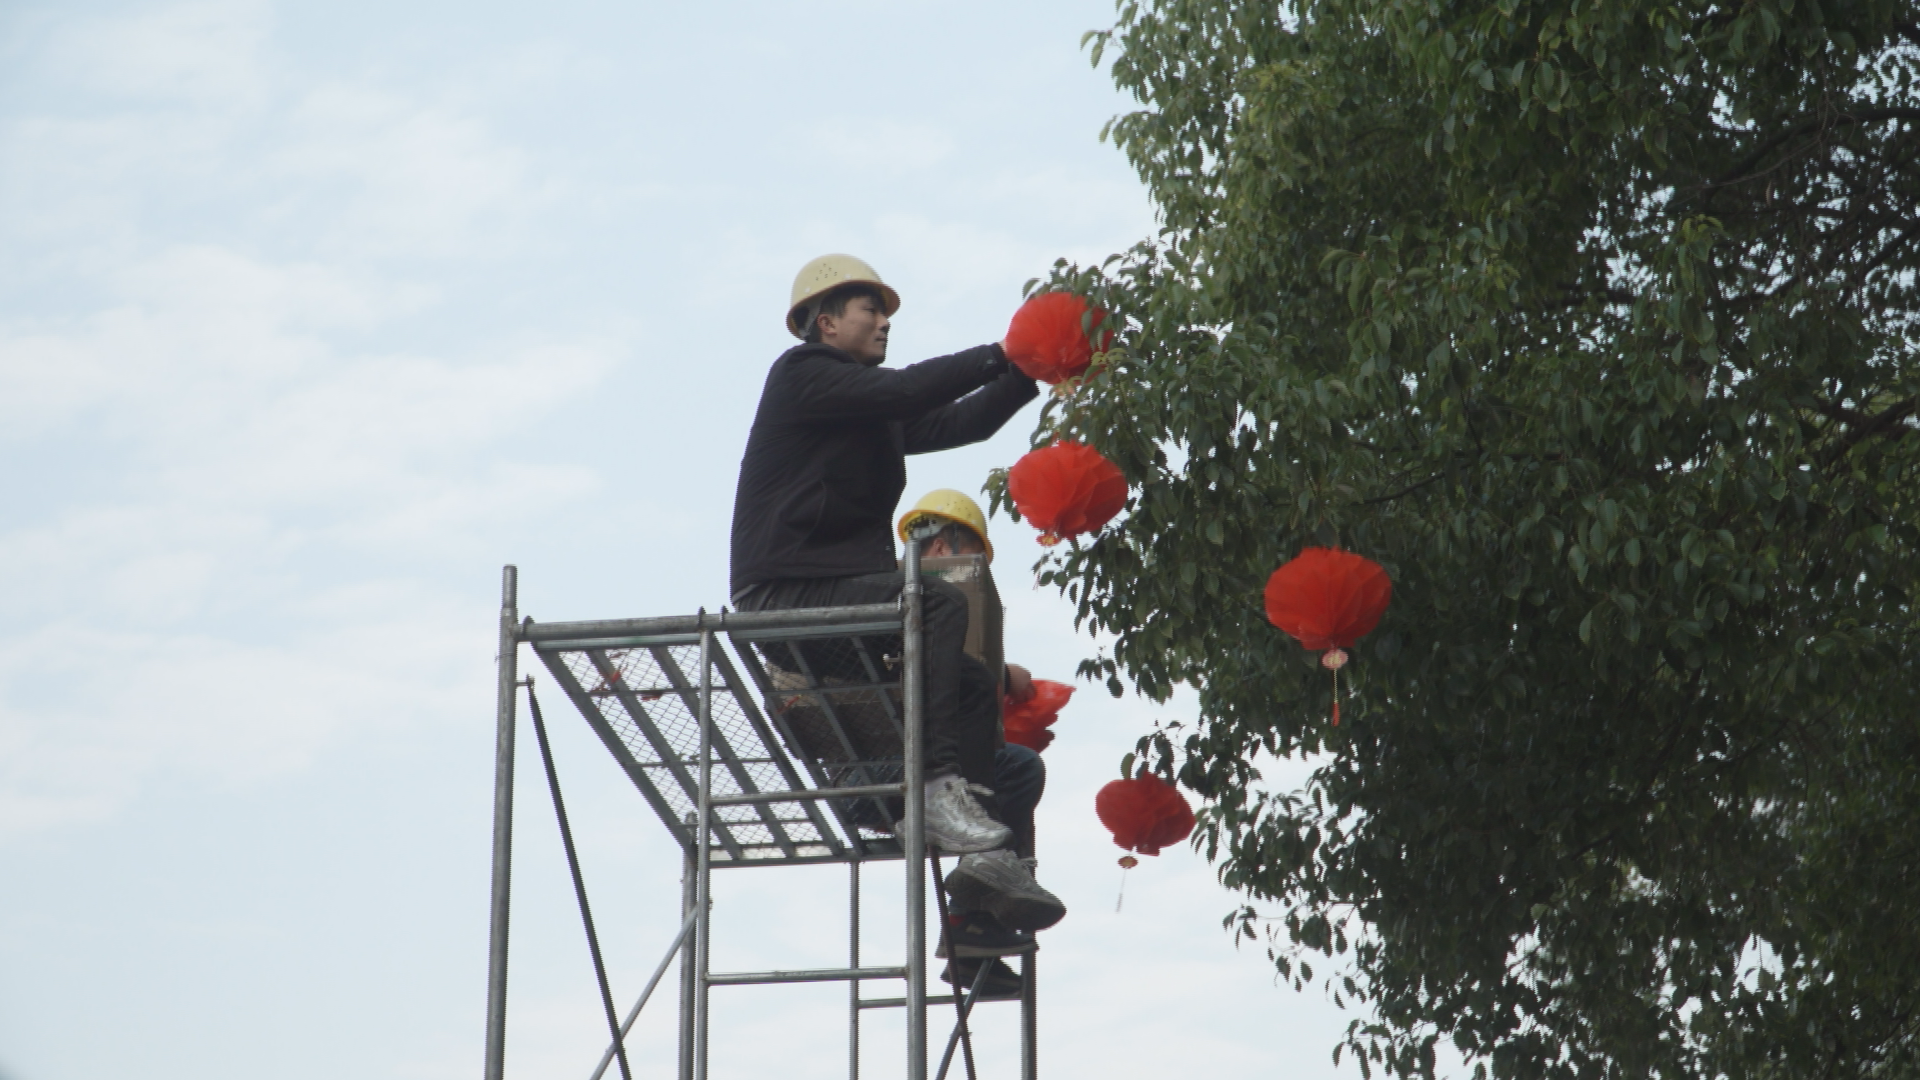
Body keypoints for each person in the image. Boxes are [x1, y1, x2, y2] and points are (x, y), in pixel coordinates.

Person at [729, 255, 1067, 946]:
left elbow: (959, 423)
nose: (884, 322)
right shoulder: (800, 375)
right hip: (785, 589)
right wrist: (1001, 350)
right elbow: (912, 390)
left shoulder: (866, 411)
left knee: (973, 683)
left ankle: (980, 881)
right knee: (938, 602)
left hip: (830, 593)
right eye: (869, 310)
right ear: (825, 323)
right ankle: (939, 790)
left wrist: (1032, 367)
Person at [898, 488, 1049, 998]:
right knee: (1017, 770)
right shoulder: (913, 593)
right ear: (943, 546)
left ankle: (976, 928)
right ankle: (969, 916)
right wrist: (1002, 675)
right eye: (974, 557)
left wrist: (1000, 677)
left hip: (918, 757)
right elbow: (922, 668)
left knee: (1014, 766)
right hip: (913, 767)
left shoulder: (897, 594)